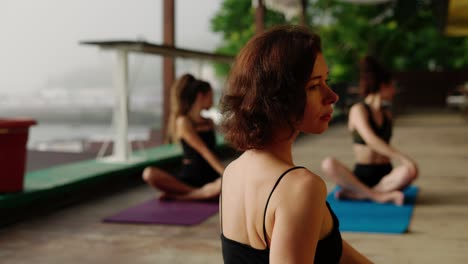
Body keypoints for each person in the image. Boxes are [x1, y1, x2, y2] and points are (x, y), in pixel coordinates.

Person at [219, 25, 371, 263]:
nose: (332, 96)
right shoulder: (300, 188)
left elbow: (329, 247)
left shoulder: (232, 172)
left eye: (326, 81)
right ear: (277, 98)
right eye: (314, 86)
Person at [321, 55, 418, 206]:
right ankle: (378, 196)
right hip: (361, 174)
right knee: (328, 163)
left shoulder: (387, 114)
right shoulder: (358, 110)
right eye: (392, 86)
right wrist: (402, 157)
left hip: (386, 174)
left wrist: (406, 164)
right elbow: (371, 140)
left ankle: (362, 195)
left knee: (410, 170)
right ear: (382, 86)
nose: (394, 90)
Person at [142, 74, 224, 199]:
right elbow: (204, 151)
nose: (213, 101)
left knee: (221, 185)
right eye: (211, 96)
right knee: (149, 174)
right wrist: (226, 173)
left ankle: (188, 196)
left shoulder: (209, 121)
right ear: (200, 96)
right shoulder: (183, 122)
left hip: (210, 175)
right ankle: (197, 193)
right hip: (190, 176)